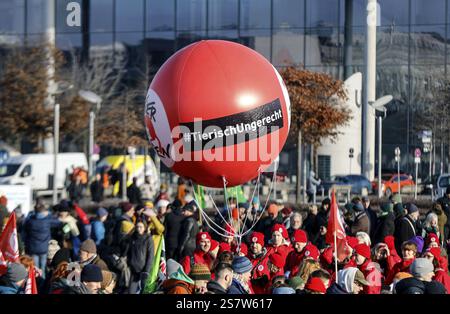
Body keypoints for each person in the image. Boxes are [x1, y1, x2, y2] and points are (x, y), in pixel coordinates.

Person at [23, 202, 62, 277]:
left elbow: (24, 226)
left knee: (36, 268)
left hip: (33, 248)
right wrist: (49, 214)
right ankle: (43, 283)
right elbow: (58, 223)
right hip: (44, 248)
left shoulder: (30, 221)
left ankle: (37, 283)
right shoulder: (47, 220)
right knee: (43, 267)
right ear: (44, 211)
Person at [126, 220, 154, 294]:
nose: (139, 229)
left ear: (145, 228)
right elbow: (128, 252)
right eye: (137, 227)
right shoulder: (132, 237)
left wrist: (146, 270)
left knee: (143, 291)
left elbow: (150, 256)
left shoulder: (148, 239)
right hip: (133, 270)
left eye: (141, 227)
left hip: (143, 270)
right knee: (131, 291)